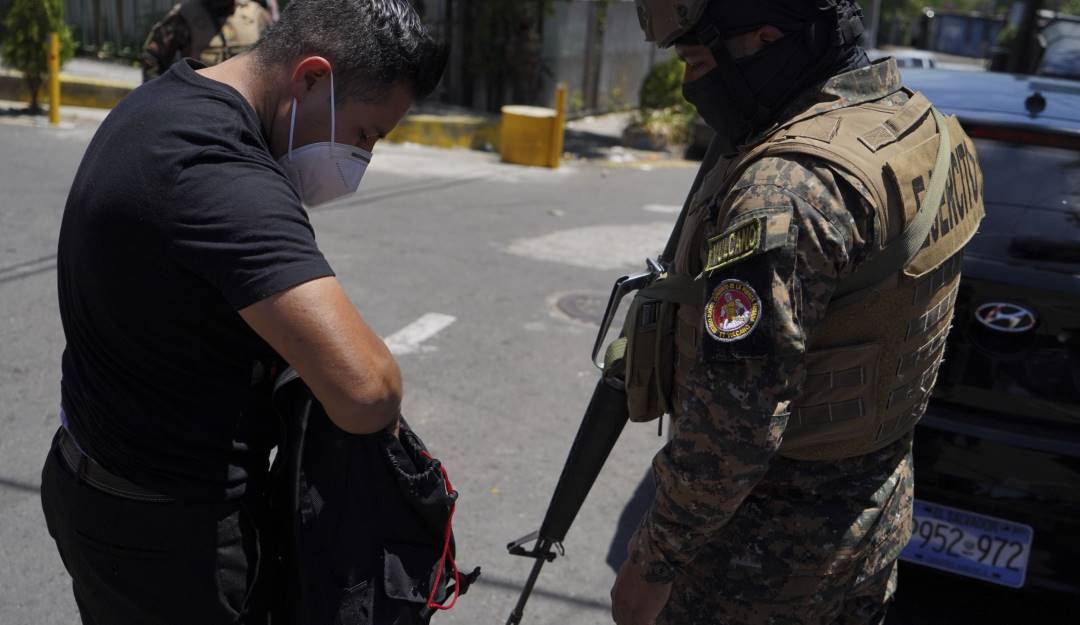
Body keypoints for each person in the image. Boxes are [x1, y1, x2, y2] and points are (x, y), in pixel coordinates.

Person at [41, 1, 446, 624]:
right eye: (366, 133)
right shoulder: (219, 169)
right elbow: (367, 389)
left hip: (103, 484)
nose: (363, 158)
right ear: (311, 78)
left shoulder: (161, 103)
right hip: (167, 537)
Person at [609, 1, 985, 624]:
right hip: (870, 530)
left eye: (698, 62)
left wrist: (653, 562)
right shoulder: (922, 127)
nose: (689, 84)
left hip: (755, 570)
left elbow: (736, 424)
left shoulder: (785, 190)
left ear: (764, 40)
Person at [141, 0, 273, 82]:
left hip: (247, 106)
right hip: (200, 105)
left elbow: (276, 60)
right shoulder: (184, 15)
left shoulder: (257, 16)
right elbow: (153, 57)